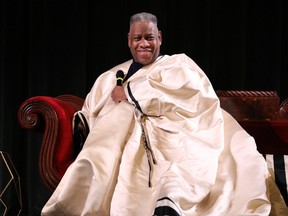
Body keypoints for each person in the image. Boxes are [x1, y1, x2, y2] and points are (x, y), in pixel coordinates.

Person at [41, 12, 286, 216]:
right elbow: (91, 112)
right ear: (129, 40)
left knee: (232, 157)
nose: (143, 43)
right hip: (128, 139)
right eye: (138, 38)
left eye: (149, 37)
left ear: (160, 37)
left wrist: (133, 95)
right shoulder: (111, 76)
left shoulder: (178, 65)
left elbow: (194, 98)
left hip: (178, 131)